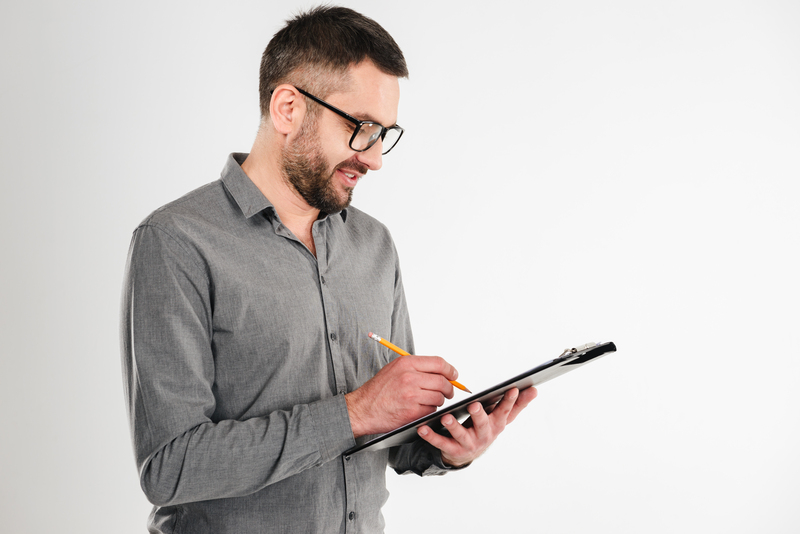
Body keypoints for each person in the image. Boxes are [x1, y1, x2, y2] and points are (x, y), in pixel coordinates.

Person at [120, 6, 537, 533]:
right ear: (288, 108)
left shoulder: (374, 245)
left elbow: (394, 437)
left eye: (385, 132)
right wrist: (354, 411)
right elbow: (171, 468)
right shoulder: (177, 242)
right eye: (361, 128)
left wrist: (452, 446)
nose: (376, 157)